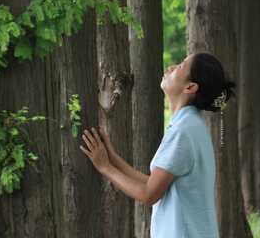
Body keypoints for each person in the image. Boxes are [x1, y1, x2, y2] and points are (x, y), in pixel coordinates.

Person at [80, 52, 236, 238]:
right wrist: (112, 157)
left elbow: (148, 194)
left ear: (190, 87)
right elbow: (152, 182)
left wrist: (105, 167)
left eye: (180, 66)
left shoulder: (183, 132)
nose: (170, 67)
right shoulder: (190, 124)